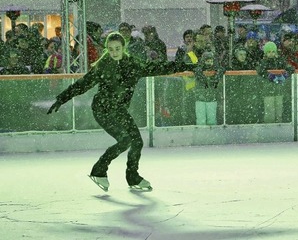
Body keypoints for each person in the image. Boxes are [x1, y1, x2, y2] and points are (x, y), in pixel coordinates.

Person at [46, 32, 193, 192]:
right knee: (125, 140)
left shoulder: (133, 65)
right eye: (111, 49)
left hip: (118, 109)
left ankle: (132, 176)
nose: (114, 52)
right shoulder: (103, 66)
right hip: (102, 109)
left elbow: (159, 68)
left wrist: (186, 66)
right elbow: (83, 84)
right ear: (107, 50)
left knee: (137, 141)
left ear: (123, 48)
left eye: (117, 48)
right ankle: (99, 170)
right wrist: (62, 98)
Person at [256, 41, 295, 123]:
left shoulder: (280, 61)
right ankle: (269, 128)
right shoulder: (263, 62)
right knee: (269, 111)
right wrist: (270, 76)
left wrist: (285, 76)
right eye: (269, 52)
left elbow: (291, 68)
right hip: (268, 91)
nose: (271, 54)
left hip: (279, 90)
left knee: (279, 110)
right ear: (265, 53)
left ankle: (279, 126)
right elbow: (260, 70)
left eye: (273, 52)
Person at [193, 51, 224, 125]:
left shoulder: (217, 69)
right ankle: (201, 135)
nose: (210, 63)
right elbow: (197, 70)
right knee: (201, 121)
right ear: (203, 61)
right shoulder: (198, 70)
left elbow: (222, 69)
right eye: (207, 61)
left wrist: (217, 76)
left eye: (211, 61)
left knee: (212, 121)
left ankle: (211, 134)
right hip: (200, 99)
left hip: (211, 98)